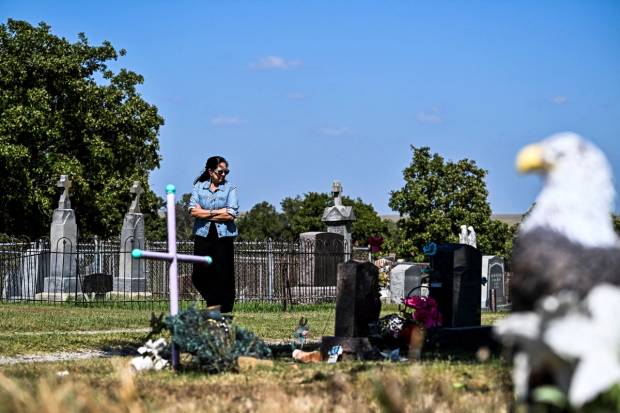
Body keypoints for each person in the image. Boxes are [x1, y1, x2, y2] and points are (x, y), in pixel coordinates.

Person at [188, 155, 238, 312]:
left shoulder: (230, 189)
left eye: (226, 172)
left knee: (223, 274)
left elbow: (230, 214)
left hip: (223, 237)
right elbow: (193, 211)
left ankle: (225, 308)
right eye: (220, 171)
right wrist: (217, 212)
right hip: (203, 236)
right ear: (210, 171)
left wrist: (205, 212)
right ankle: (214, 301)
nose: (223, 175)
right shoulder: (198, 187)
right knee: (199, 274)